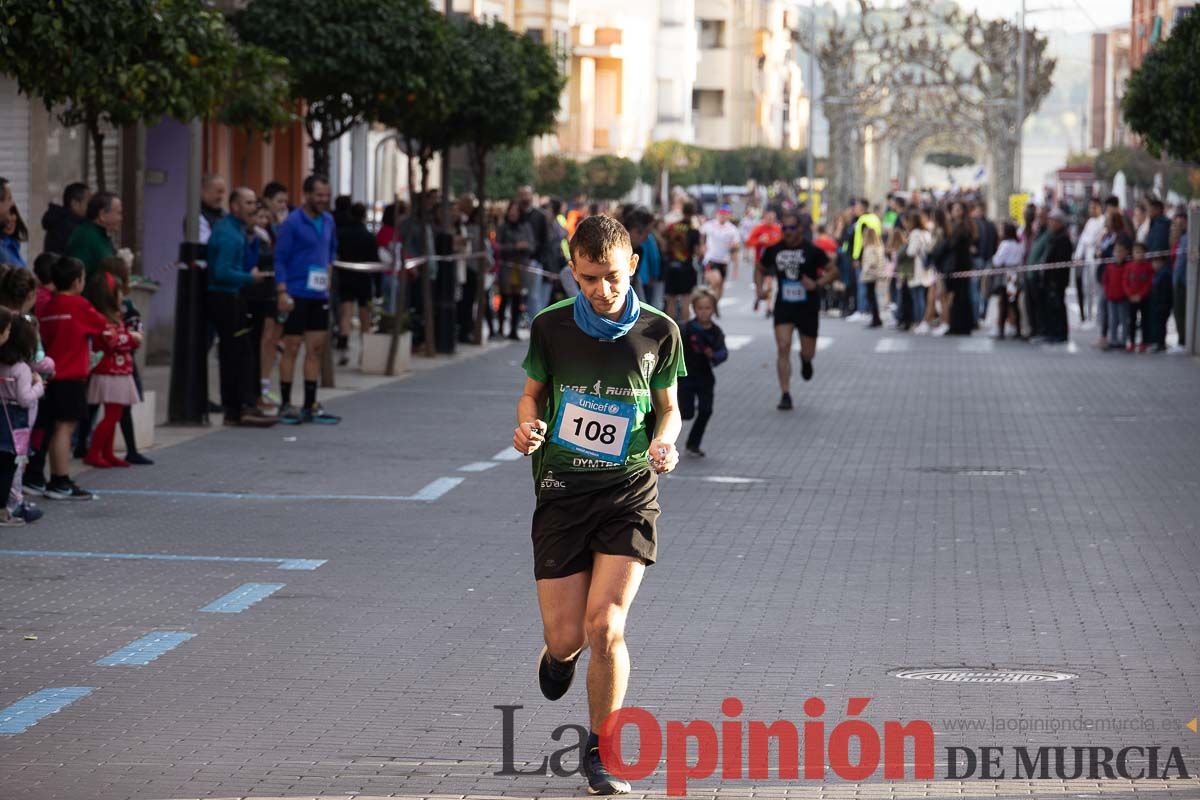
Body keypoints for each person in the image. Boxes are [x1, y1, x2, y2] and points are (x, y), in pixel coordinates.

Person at [513, 214, 684, 797]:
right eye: (588, 279)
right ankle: (559, 657)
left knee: (606, 624)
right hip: (562, 492)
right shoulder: (552, 327)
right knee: (567, 637)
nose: (601, 290)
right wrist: (527, 428)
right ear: (572, 271)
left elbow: (668, 406)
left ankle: (602, 751)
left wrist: (667, 439)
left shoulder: (660, 330)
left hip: (628, 491)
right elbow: (532, 395)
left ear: (632, 266)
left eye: (611, 276)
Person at [38, 256, 108, 499]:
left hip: (50, 375)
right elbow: (102, 326)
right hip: (71, 376)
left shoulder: (49, 307)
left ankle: (54, 478)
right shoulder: (79, 305)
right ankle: (60, 480)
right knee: (65, 428)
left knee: (54, 427)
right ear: (78, 281)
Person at [274, 174, 341, 425]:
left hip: (319, 294)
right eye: (319, 195)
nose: (323, 199)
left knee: (316, 349)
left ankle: (310, 405)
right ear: (307, 194)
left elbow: (332, 248)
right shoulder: (292, 223)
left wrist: (330, 269)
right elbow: (280, 258)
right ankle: (285, 403)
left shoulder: (329, 221)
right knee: (291, 348)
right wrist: (282, 291)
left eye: (326, 195)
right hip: (296, 293)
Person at [206, 187, 276, 427]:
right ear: (234, 206)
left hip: (230, 296)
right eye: (248, 203)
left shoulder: (235, 230)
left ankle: (234, 409)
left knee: (235, 353)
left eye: (254, 203)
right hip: (226, 298)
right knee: (241, 354)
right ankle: (244, 406)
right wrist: (249, 278)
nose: (253, 208)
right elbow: (221, 272)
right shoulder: (228, 234)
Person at [758, 210, 835, 411]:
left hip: (808, 306)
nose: (788, 232)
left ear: (800, 229)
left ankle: (805, 359)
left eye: (792, 228)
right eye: (784, 228)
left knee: (808, 352)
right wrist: (759, 289)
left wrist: (817, 283)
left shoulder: (812, 251)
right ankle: (785, 393)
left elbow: (833, 271)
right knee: (783, 346)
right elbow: (759, 267)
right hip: (784, 305)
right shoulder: (774, 250)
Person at [80, 270, 142, 468]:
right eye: (118, 292)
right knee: (113, 415)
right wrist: (133, 338)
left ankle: (107, 452)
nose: (122, 296)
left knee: (112, 413)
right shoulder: (102, 318)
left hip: (117, 372)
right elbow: (111, 341)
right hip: (110, 372)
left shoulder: (113, 317)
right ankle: (94, 452)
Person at [0, 315, 44, 523]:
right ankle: (12, 506)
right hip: (16, 421)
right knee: (13, 466)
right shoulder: (22, 369)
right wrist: (39, 387)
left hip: (1, 414)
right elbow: (25, 399)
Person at [678, 287, 727, 457]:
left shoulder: (716, 332)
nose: (704, 312)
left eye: (708, 308)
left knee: (706, 410)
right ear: (694, 308)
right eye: (700, 308)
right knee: (686, 412)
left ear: (713, 309)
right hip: (686, 378)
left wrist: (714, 355)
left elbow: (723, 352)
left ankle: (693, 444)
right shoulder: (685, 329)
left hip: (705, 377)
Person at [333, 202, 379, 366]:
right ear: (364, 216)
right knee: (364, 316)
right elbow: (375, 261)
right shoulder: (369, 236)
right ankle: (364, 352)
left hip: (345, 277)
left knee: (345, 313)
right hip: (364, 279)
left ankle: (343, 349)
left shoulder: (342, 234)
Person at [0, 306, 23, 525]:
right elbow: (24, 398)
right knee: (7, 463)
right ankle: (3, 510)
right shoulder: (17, 367)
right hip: (7, 419)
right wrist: (38, 387)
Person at [497, 200, 533, 340]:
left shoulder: (526, 227)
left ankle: (513, 329)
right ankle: (500, 329)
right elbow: (498, 247)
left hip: (521, 267)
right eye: (511, 211)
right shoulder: (502, 228)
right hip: (506, 266)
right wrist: (514, 246)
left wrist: (525, 246)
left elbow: (532, 245)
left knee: (518, 300)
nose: (513, 214)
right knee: (504, 298)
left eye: (516, 211)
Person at [65, 191, 121, 276]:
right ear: (102, 215)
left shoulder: (100, 234)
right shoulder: (85, 237)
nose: (121, 218)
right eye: (119, 213)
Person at [1040, 208, 1074, 343]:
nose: (1050, 224)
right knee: (1052, 307)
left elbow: (1061, 263)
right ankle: (1053, 332)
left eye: (1053, 221)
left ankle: (1060, 333)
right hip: (1051, 279)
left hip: (1057, 280)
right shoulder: (1054, 237)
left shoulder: (1063, 239)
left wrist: (1054, 279)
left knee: (1058, 307)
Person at [663, 203, 701, 323]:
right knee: (686, 300)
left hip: (671, 266)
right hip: (686, 267)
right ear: (693, 213)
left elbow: (664, 245)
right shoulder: (693, 230)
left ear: (682, 212)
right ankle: (684, 328)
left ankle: (670, 328)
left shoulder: (671, 227)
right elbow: (697, 252)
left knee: (671, 301)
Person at [1073, 197, 1104, 325]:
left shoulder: (1103, 221)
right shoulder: (1090, 222)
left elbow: (1093, 240)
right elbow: (1082, 241)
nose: (1091, 210)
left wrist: (1089, 243)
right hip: (1087, 259)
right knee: (1087, 288)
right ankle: (1088, 315)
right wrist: (1078, 256)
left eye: (1093, 207)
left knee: (1096, 288)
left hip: (1096, 258)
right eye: (1090, 207)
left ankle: (1098, 317)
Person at [991, 222, 1024, 340]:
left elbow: (997, 261)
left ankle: (1001, 330)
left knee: (1003, 303)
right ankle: (1017, 328)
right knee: (1014, 303)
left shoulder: (1005, 244)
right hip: (1015, 275)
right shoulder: (1018, 244)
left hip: (1005, 275)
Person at [698, 205, 739, 300]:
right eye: (721, 214)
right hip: (710, 258)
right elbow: (701, 234)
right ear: (717, 214)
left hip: (724, 261)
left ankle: (713, 304)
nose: (723, 216)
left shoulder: (732, 229)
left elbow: (736, 249)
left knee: (720, 287)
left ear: (729, 216)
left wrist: (735, 269)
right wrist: (702, 246)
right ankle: (706, 299)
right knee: (716, 280)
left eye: (726, 214)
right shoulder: (709, 225)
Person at [746, 210, 782, 315]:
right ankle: (758, 297)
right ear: (764, 218)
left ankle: (769, 308)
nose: (770, 220)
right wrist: (759, 241)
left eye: (772, 218)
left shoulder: (778, 229)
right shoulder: (758, 229)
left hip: (772, 262)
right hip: (759, 263)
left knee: (770, 283)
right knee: (760, 287)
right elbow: (749, 242)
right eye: (768, 218)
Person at [42, 183, 90, 255]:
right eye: (88, 203)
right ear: (75, 204)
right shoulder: (70, 226)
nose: (91, 207)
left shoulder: (61, 220)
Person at [1123, 241, 1154, 353]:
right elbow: (1125, 281)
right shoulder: (1129, 266)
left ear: (1145, 253)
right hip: (1131, 298)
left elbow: (1149, 283)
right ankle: (1131, 342)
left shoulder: (1148, 267)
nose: (1138, 254)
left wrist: (1140, 295)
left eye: (1141, 252)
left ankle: (1144, 343)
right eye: (1136, 252)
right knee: (1131, 321)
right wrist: (1130, 294)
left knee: (1145, 321)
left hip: (1143, 298)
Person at [1102, 236, 1131, 351]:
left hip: (1123, 298)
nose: (1118, 254)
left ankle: (1124, 340)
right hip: (1111, 297)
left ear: (1126, 253)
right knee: (1112, 320)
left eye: (1121, 251)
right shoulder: (1110, 267)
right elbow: (1106, 281)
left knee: (1124, 319)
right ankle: (1113, 339)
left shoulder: (1128, 267)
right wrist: (1107, 293)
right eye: (1116, 251)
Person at [858, 226, 886, 328]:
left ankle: (875, 318)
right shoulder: (879, 246)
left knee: (871, 296)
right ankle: (876, 318)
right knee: (872, 296)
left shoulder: (869, 248)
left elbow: (870, 262)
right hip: (876, 273)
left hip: (869, 274)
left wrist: (865, 269)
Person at [195, 174, 227, 245]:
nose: (221, 197)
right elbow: (206, 244)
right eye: (219, 192)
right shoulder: (195, 217)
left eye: (223, 192)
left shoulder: (225, 215)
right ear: (203, 191)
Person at [1, 203, 28, 268]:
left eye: (11, 213)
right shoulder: (2, 248)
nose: (9, 219)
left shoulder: (13, 244)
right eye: (3, 215)